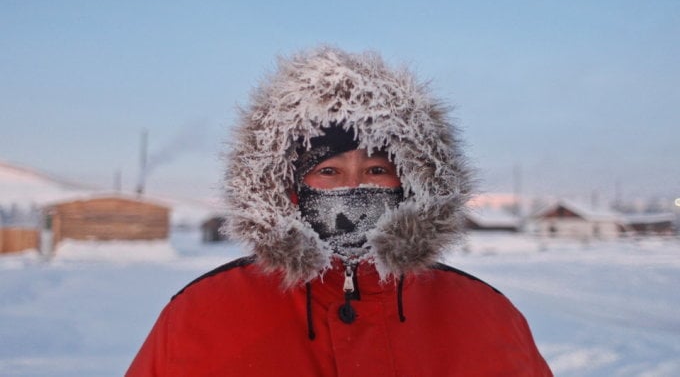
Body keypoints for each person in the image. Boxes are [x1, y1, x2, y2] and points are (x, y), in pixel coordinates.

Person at [126, 46, 553, 376]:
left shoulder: (486, 316)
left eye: (376, 169)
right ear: (288, 187)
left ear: (411, 184)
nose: (353, 187)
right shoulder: (200, 315)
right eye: (327, 170)